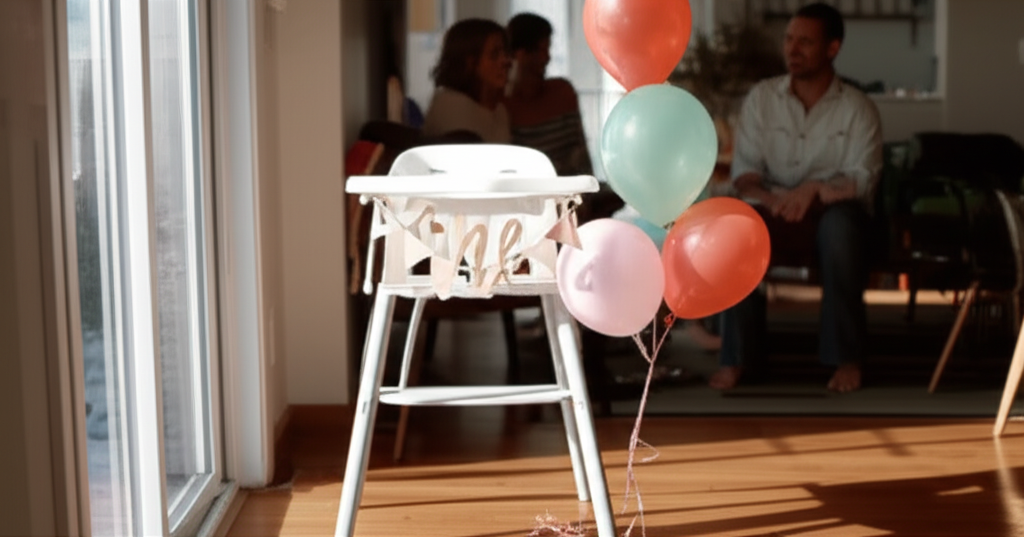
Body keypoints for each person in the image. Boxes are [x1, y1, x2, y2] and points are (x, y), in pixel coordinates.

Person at [710, 2, 882, 393]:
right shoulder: (762, 99)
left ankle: (846, 359)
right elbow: (745, 175)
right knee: (734, 226)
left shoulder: (859, 108)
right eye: (789, 39)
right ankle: (739, 359)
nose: (792, 49)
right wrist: (776, 202)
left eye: (805, 41)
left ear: (832, 48)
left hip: (832, 213)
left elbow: (864, 180)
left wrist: (815, 191)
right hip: (772, 208)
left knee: (843, 229)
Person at [504, 12, 593, 176]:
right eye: (540, 50)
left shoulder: (563, 91)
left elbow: (581, 157)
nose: (547, 57)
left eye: (548, 49)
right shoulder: (502, 106)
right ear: (519, 54)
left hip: (577, 192)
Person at [422, 19, 511, 144]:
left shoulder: (499, 111)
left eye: (505, 53)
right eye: (494, 55)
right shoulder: (450, 103)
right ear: (470, 63)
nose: (506, 61)